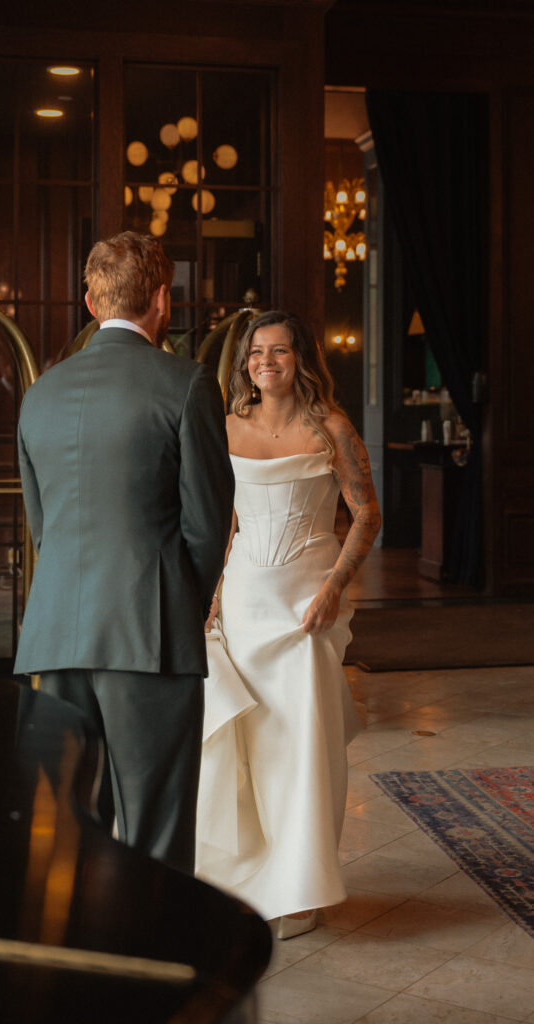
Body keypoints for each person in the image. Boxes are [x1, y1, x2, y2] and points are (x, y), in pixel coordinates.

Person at [14, 231, 235, 874]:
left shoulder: (40, 394)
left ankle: (85, 957)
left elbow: (42, 526)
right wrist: (179, 607)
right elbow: (206, 526)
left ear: (90, 300)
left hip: (55, 634)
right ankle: (155, 963)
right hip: (150, 634)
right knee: (155, 828)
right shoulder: (187, 384)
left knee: (68, 825)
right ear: (163, 298)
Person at [195, 309, 381, 936]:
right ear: (244, 363)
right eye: (255, 352)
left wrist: (335, 587)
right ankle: (250, 880)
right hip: (245, 603)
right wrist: (211, 601)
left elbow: (367, 515)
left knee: (305, 746)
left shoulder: (330, 427)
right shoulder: (225, 428)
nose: (265, 361)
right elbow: (225, 525)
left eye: (278, 351)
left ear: (301, 359)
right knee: (248, 745)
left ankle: (300, 889)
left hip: (306, 608)